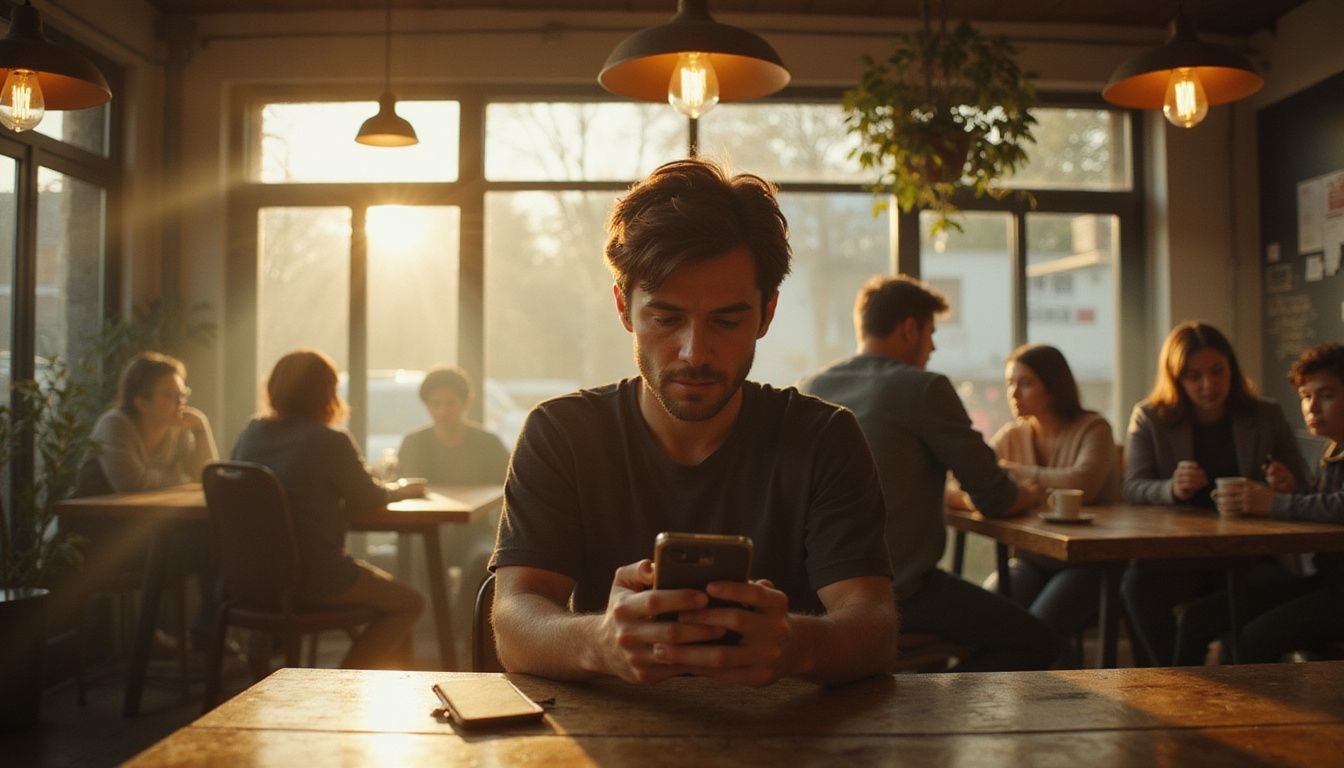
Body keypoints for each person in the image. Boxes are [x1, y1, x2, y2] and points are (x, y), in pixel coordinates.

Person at [489, 159, 897, 686]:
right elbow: (514, 615)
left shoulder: (823, 438)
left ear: (767, 314)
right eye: (665, 318)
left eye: (727, 321)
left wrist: (794, 645)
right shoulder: (562, 433)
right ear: (623, 308)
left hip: (786, 739)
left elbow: (874, 624)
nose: (694, 351)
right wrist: (599, 643)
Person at [798, 275, 1059, 672]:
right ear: (909, 328)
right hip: (900, 590)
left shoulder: (810, 386)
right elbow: (995, 496)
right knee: (1042, 644)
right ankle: (940, 709)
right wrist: (1032, 493)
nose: (933, 346)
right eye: (931, 333)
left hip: (814, 591)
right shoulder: (924, 388)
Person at [1122, 320, 1308, 666]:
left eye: (1217, 371)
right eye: (1194, 376)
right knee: (1137, 586)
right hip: (1179, 552)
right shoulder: (1151, 417)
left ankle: (1197, 685)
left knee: (1259, 595)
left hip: (1252, 552)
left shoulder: (1264, 414)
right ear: (1177, 378)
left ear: (1231, 370)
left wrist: (1285, 484)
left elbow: (1303, 481)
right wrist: (1171, 489)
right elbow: (1133, 486)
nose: (1209, 385)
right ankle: (1165, 681)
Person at [231, 349, 426, 669]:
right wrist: (401, 489)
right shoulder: (329, 440)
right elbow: (369, 497)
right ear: (327, 393)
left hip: (250, 582)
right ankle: (342, 682)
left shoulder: (251, 433)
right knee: (409, 603)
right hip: (315, 579)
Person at [70, 352, 221, 645]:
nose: (181, 402)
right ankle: (197, 636)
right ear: (141, 402)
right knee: (207, 540)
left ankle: (206, 631)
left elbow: (206, 480)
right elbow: (131, 482)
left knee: (217, 537)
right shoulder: (115, 425)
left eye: (182, 394)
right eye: (170, 395)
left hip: (144, 535)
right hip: (97, 541)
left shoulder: (177, 432)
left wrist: (202, 428)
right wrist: (178, 481)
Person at [981, 344, 1119, 659]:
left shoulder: (1094, 428)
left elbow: (1082, 482)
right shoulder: (1012, 436)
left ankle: (1053, 700)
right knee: (985, 618)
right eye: (1010, 384)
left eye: (1026, 383)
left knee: (1039, 630)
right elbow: (968, 477)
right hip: (1032, 558)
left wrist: (1013, 472)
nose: (1014, 393)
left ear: (1054, 386)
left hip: (1088, 563)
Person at [1215, 342, 1344, 662]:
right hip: (1325, 584)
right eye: (1305, 396)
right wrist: (1289, 493)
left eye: (1326, 395)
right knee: (1209, 616)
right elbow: (1324, 509)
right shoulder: (1333, 450)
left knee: (1248, 640)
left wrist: (1273, 503)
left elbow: (1339, 507)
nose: (1312, 408)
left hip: (1338, 594)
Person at [397, 365, 510, 485]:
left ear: (466, 402)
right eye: (435, 404)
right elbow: (404, 489)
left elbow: (506, 488)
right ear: (426, 404)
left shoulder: (489, 444)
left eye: (450, 403)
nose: (443, 411)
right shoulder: (414, 443)